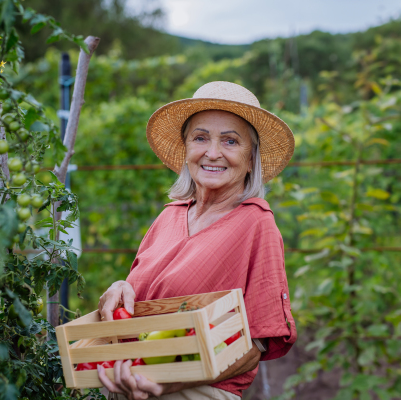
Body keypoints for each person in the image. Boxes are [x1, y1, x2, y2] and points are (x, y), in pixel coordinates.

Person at [97, 81, 297, 399]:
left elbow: (254, 345)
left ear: (250, 160)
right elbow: (145, 300)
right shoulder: (170, 216)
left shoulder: (256, 223)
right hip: (130, 385)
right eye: (200, 138)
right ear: (186, 149)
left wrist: (168, 382)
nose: (212, 152)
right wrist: (122, 288)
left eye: (230, 141)